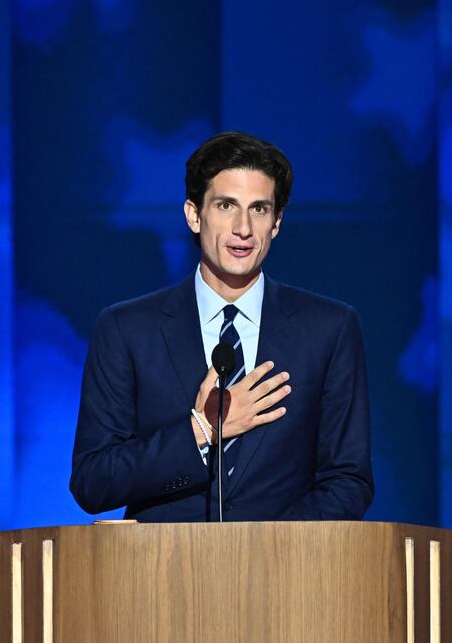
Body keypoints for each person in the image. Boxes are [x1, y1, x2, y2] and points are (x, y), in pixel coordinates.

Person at [69, 131, 373, 521]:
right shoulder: (127, 329)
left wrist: (265, 557)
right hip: (161, 574)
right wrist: (201, 430)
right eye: (226, 205)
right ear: (194, 215)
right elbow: (93, 482)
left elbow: (348, 481)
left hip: (286, 575)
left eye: (260, 209)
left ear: (277, 223)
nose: (243, 228)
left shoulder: (329, 329)